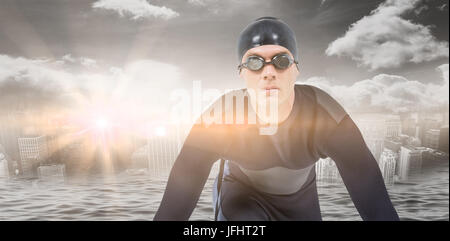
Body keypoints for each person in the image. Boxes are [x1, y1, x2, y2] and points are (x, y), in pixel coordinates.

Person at [153, 16, 399, 221]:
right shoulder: (221, 118)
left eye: (281, 61)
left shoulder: (325, 116)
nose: (268, 72)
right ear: (241, 72)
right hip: (241, 200)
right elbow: (177, 200)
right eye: (255, 62)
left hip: (301, 203)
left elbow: (374, 199)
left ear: (296, 69)